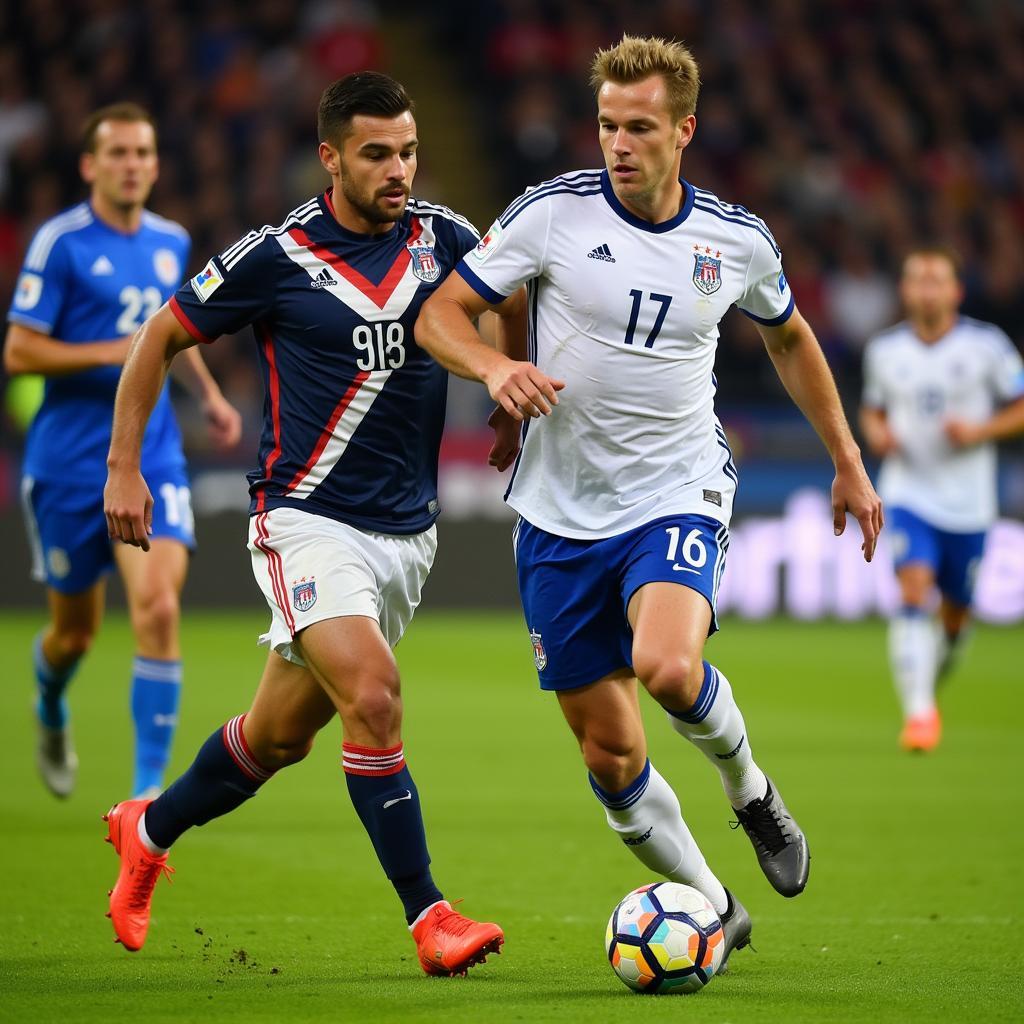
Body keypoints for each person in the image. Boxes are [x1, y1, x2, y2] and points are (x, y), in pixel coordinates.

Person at [416, 35, 883, 967]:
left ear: (684, 130)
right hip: (556, 511)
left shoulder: (735, 239)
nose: (618, 145)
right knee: (611, 759)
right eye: (606, 126)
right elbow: (440, 314)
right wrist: (497, 367)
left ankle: (751, 793)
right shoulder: (549, 216)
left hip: (678, 487)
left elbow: (790, 340)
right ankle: (712, 903)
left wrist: (847, 457)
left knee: (668, 667)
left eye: (638, 128)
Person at [102, 72, 514, 976]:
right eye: (376, 153)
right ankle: (430, 917)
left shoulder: (446, 238)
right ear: (331, 157)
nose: (398, 168)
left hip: (407, 535)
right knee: (374, 696)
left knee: (277, 738)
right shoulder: (275, 256)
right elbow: (156, 339)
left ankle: (148, 828)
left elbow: (510, 290)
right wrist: (124, 465)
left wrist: (508, 398)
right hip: (304, 520)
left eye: (407, 150)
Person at [4, 102, 241, 800]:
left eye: (143, 153)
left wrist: (209, 395)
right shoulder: (61, 242)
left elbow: (172, 329)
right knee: (73, 635)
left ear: (156, 164)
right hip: (68, 462)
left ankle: (143, 799)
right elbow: (18, 349)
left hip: (152, 455)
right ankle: (49, 701)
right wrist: (116, 351)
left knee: (160, 609)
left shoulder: (170, 240)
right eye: (118, 154)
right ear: (90, 166)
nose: (132, 165)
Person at [860, 247, 1024, 752]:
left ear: (956, 291)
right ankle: (920, 715)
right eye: (916, 280)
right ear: (905, 291)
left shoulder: (986, 346)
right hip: (908, 492)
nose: (926, 289)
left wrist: (980, 431)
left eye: (936, 281)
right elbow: (872, 410)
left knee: (955, 614)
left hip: (969, 502)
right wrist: (879, 435)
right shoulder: (885, 351)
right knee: (913, 590)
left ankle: (935, 667)